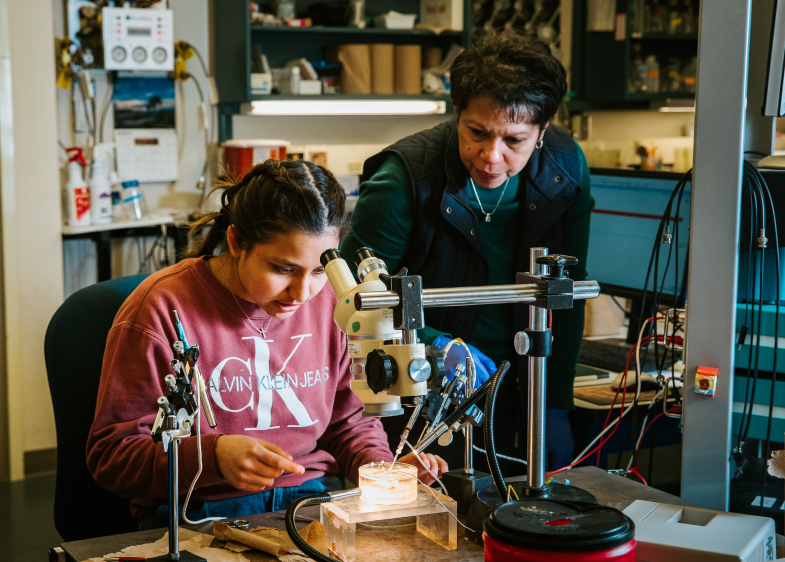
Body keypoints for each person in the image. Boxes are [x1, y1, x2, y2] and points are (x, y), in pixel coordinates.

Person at [87, 160, 447, 529]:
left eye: (320, 271)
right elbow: (111, 457)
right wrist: (211, 457)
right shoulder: (162, 309)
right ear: (236, 241)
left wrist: (378, 468)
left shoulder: (337, 304)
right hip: (198, 512)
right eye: (283, 269)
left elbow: (349, 420)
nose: (302, 293)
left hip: (311, 498)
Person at [340, 31, 594, 474]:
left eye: (513, 140)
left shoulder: (565, 170)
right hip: (418, 392)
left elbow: (565, 299)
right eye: (476, 132)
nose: (490, 156)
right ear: (458, 113)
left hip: (523, 383)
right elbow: (349, 304)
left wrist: (555, 406)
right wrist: (433, 345)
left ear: (542, 130)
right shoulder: (403, 180)